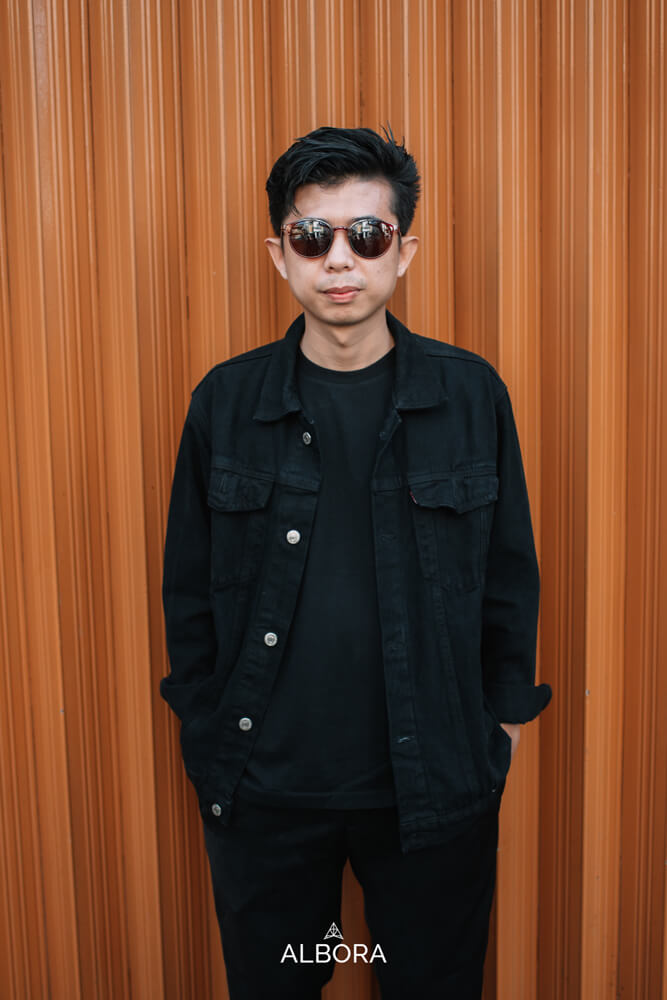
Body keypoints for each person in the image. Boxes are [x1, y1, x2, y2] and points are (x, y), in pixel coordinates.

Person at [160, 125, 552, 1000]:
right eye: (312, 235)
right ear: (280, 255)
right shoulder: (226, 402)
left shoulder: (468, 394)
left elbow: (507, 575)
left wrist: (499, 729)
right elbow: (187, 586)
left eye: (366, 235)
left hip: (433, 785)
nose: (340, 259)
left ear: (402, 252)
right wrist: (201, 718)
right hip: (263, 788)